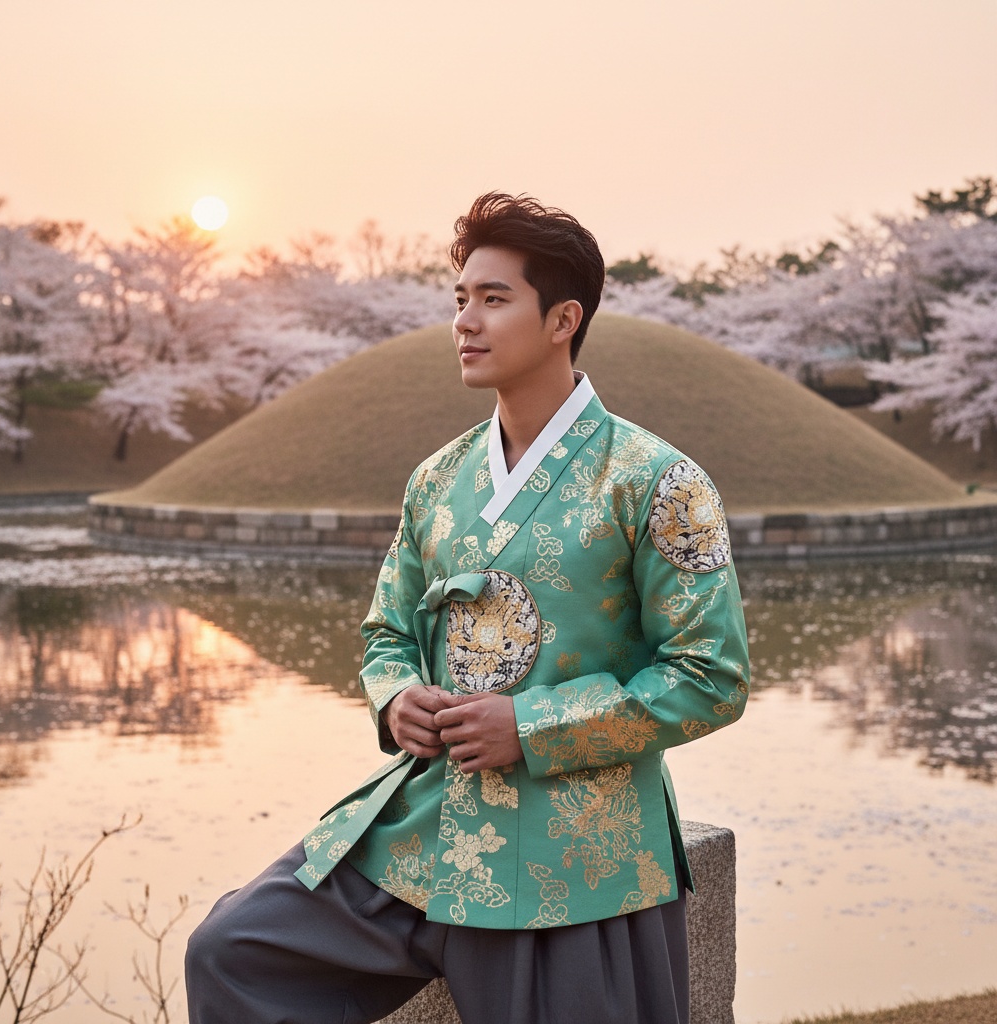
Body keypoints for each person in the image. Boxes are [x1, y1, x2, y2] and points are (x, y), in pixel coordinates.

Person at [185, 193, 750, 1024]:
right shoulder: (438, 480)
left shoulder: (655, 480)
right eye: (460, 299)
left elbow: (711, 676)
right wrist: (397, 699)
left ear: (563, 319)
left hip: (576, 852)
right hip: (427, 828)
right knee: (233, 952)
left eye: (494, 299)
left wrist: (529, 727)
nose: (465, 321)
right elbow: (386, 633)